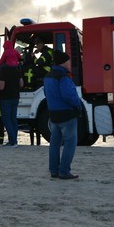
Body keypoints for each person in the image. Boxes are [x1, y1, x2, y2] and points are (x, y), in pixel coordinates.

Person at [43, 50, 81, 179]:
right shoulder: (63, 77)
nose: (70, 63)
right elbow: (68, 95)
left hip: (53, 114)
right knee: (70, 143)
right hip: (67, 114)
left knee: (55, 144)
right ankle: (64, 171)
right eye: (68, 60)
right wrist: (77, 105)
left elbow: (46, 93)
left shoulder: (48, 76)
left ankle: (54, 170)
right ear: (64, 62)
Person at [0, 62, 24, 148]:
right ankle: (14, 140)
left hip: (6, 98)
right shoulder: (16, 69)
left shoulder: (2, 70)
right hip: (16, 97)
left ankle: (12, 141)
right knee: (13, 119)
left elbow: (1, 87)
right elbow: (21, 84)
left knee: (6, 120)